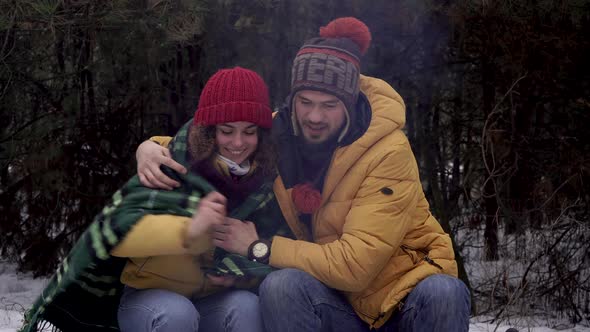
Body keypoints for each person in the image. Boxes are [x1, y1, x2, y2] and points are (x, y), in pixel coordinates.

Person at [136, 17, 471, 332]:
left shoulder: (388, 151)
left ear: (350, 103)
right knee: (281, 286)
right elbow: (223, 141)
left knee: (444, 291)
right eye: (306, 102)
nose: (314, 116)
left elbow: (355, 266)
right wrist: (152, 147)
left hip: (402, 300)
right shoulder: (278, 135)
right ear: (293, 99)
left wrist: (259, 247)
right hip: (336, 303)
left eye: (329, 105)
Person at [21, 67, 285, 332]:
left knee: (245, 306)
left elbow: (269, 254)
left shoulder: (267, 182)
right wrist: (189, 231)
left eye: (249, 131)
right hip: (149, 298)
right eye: (227, 131)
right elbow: (117, 234)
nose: (238, 142)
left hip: (209, 300)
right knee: (177, 314)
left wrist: (251, 253)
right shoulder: (167, 162)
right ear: (209, 131)